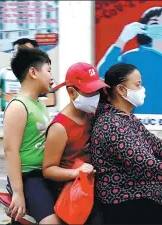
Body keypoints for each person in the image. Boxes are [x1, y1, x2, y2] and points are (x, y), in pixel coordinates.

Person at [90, 63, 162, 224]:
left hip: (141, 195)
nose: (142, 89)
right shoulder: (111, 124)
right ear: (121, 90)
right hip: (124, 201)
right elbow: (147, 165)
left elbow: (157, 145)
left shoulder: (126, 118)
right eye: (137, 85)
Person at [42, 62, 108, 223]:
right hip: (72, 193)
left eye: (97, 91)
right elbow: (48, 169)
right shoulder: (60, 127)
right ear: (71, 93)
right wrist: (77, 172)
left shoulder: (90, 114)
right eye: (89, 92)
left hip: (93, 186)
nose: (96, 96)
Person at [3, 47, 61, 224]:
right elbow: (10, 151)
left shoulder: (40, 104)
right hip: (28, 177)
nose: (52, 76)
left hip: (44, 174)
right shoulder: (18, 106)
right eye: (49, 70)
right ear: (33, 73)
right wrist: (18, 192)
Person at [0, 38, 56, 111]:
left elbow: (51, 101)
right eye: (18, 52)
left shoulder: (43, 74)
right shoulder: (4, 72)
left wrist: (19, 100)